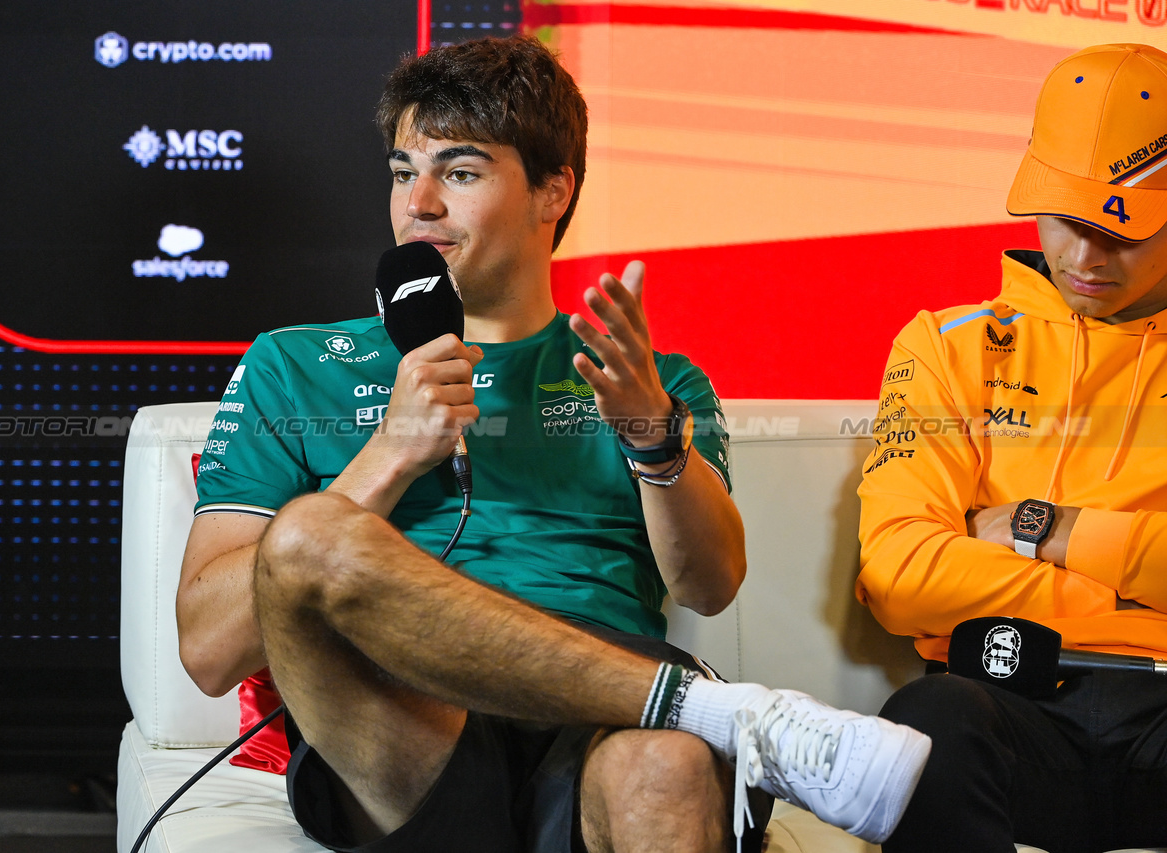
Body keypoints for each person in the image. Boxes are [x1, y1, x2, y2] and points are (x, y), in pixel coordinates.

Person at [181, 34, 930, 853]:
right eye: (403, 171)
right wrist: (389, 454)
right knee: (308, 535)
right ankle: (719, 710)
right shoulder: (292, 363)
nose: (417, 204)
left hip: (600, 721)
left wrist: (652, 440)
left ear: (552, 191)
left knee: (669, 771)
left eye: (459, 174)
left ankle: (681, 716)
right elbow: (210, 650)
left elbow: (710, 586)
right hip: (403, 724)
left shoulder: (652, 379)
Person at [857, 43, 1167, 853]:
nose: (1086, 257)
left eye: (1120, 229)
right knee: (923, 729)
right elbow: (899, 576)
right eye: (1067, 219)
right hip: (1004, 701)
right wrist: (1134, 596)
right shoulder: (944, 346)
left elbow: (946, 565)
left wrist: (1052, 529)